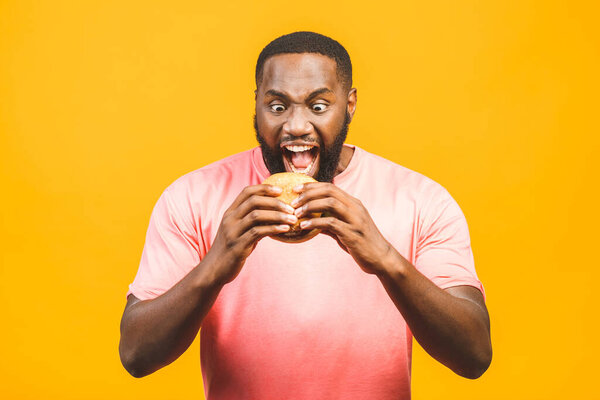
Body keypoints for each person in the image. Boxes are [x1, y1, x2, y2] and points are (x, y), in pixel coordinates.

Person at [119, 31, 492, 399]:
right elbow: (136, 354)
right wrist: (215, 265)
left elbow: (473, 355)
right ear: (257, 105)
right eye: (278, 106)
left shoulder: (421, 199)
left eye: (317, 106)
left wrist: (386, 259)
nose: (296, 126)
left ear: (349, 103)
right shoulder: (192, 196)